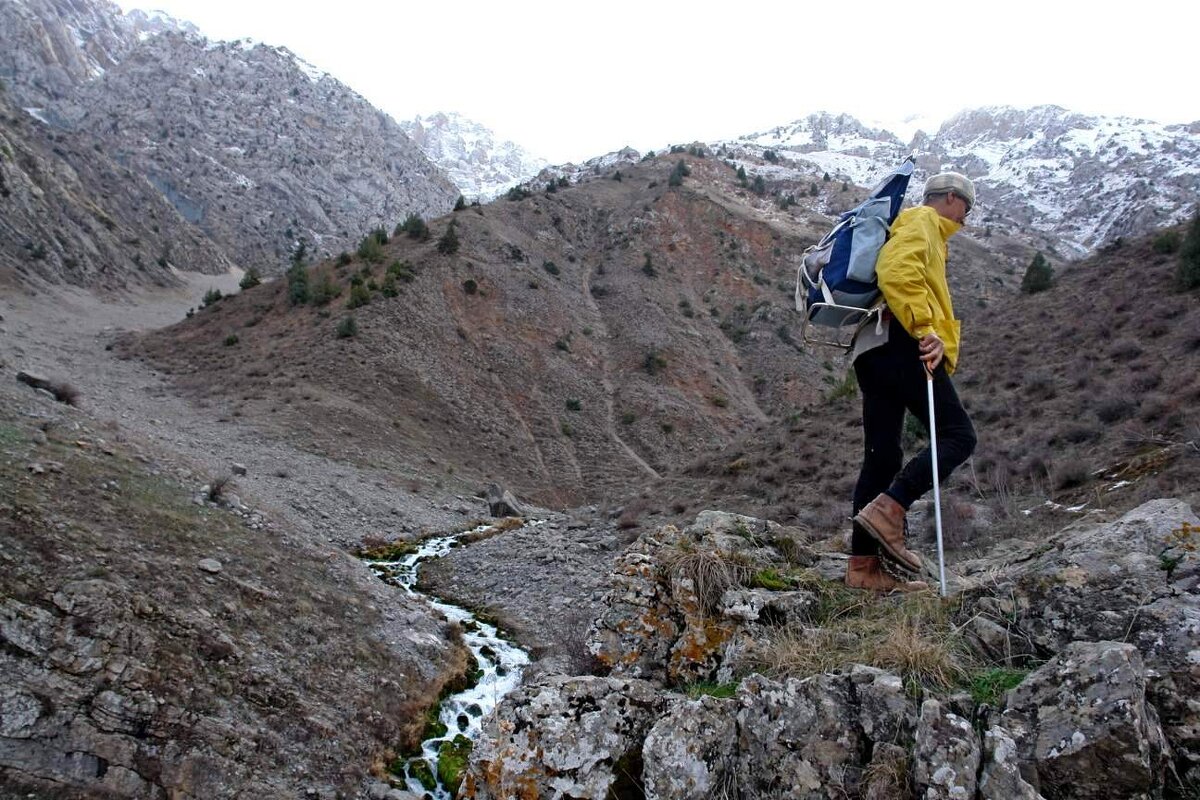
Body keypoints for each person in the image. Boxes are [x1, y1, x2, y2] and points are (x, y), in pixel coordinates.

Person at [844, 172, 979, 592]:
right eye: (967, 209)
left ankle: (862, 569)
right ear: (952, 199)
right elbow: (897, 271)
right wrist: (925, 328)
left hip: (873, 347)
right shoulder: (924, 221)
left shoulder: (914, 223)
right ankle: (891, 510)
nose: (966, 219)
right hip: (904, 341)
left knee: (881, 457)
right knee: (959, 436)